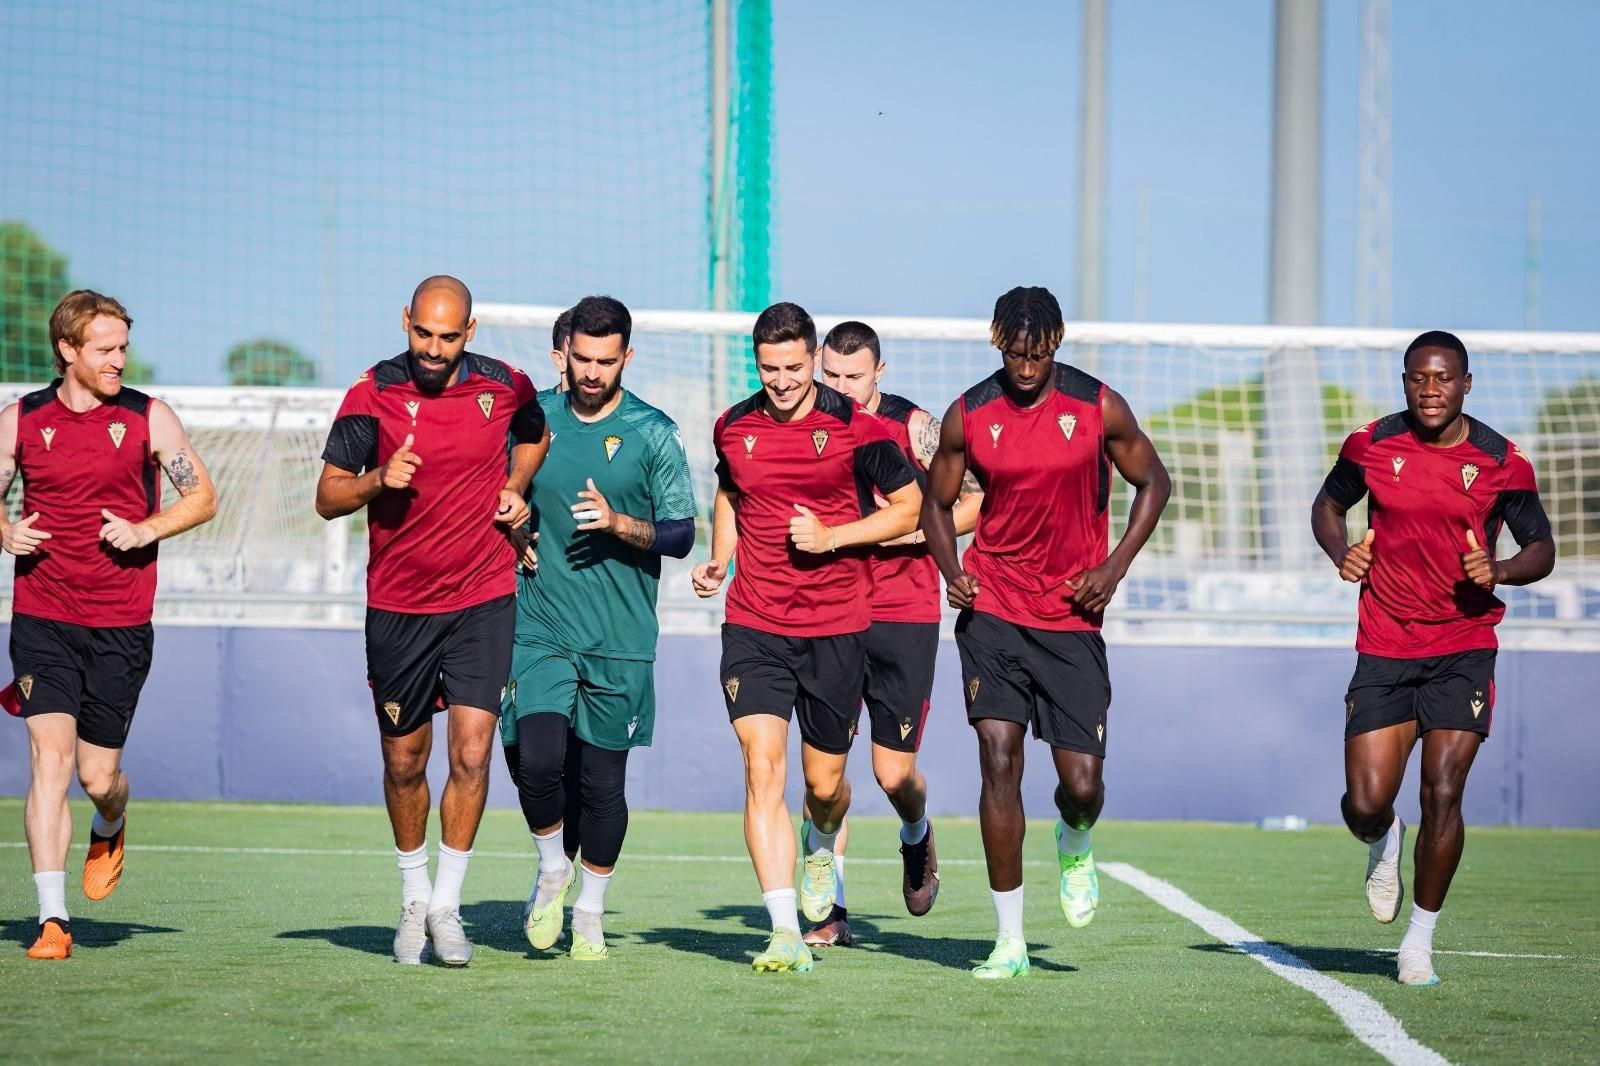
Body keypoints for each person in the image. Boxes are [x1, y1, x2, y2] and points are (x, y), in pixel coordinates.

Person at [921, 285, 1170, 979]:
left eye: (1037, 355)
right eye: (1014, 354)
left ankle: (1075, 838)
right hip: (993, 609)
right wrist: (951, 571)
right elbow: (935, 505)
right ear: (997, 343)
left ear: (1056, 343)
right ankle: (1009, 941)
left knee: (1082, 787)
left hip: (1070, 616)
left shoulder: (1098, 406)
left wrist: (1113, 568)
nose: (1025, 368)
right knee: (999, 760)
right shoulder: (970, 413)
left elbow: (1155, 483)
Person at [315, 275, 548, 966]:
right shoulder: (371, 393)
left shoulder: (506, 384)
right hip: (399, 606)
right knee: (403, 761)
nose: (435, 349)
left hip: (483, 597)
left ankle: (446, 906)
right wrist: (377, 479)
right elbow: (327, 496)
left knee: (472, 754)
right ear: (405, 321)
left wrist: (514, 487)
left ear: (469, 332)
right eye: (423, 333)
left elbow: (536, 434)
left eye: (449, 337)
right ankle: (413, 898)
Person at [1312, 330, 1554, 986]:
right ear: (1405, 382)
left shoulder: (1502, 461)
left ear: (1466, 384)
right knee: (1364, 804)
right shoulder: (1370, 444)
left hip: (1463, 649)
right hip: (1385, 645)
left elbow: (1541, 548)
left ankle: (1418, 943)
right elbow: (1327, 506)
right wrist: (1341, 553)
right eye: (1419, 377)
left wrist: (1501, 569)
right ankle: (1383, 837)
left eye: (1444, 378)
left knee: (1443, 791)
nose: (1430, 389)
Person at [691, 302, 921, 974]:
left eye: (794, 367)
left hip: (837, 629)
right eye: (770, 369)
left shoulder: (858, 427)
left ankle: (822, 843)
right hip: (755, 624)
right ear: (756, 362)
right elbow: (731, 493)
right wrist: (720, 557)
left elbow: (908, 507)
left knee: (825, 787)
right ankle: (785, 929)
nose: (782, 381)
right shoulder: (732, 427)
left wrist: (833, 538)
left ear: (814, 359)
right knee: (762, 766)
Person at [1, 290, 219, 959]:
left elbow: (203, 498)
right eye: (105, 349)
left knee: (98, 778)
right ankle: (52, 919)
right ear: (67, 349)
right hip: (42, 618)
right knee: (50, 761)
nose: (118, 360)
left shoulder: (150, 417)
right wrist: (4, 529)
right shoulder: (20, 420)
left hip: (121, 624)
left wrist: (146, 528)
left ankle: (112, 821)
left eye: (123, 347)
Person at [502, 295, 697, 960]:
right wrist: (514, 531)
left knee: (601, 786)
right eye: (581, 358)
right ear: (564, 354)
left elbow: (681, 534)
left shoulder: (653, 431)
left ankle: (589, 911)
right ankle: (552, 867)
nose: (591, 372)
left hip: (621, 638)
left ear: (626, 358)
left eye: (605, 361)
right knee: (535, 762)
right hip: (541, 626)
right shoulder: (533, 422)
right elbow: (500, 498)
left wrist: (617, 524)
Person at [802, 320, 983, 949]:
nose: (841, 387)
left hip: (905, 612)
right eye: (831, 374)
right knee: (824, 775)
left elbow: (974, 501)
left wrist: (910, 534)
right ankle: (830, 907)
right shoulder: (809, 422)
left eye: (854, 376)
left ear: (880, 371)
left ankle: (916, 833)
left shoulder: (914, 426)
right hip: (831, 610)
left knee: (892, 774)